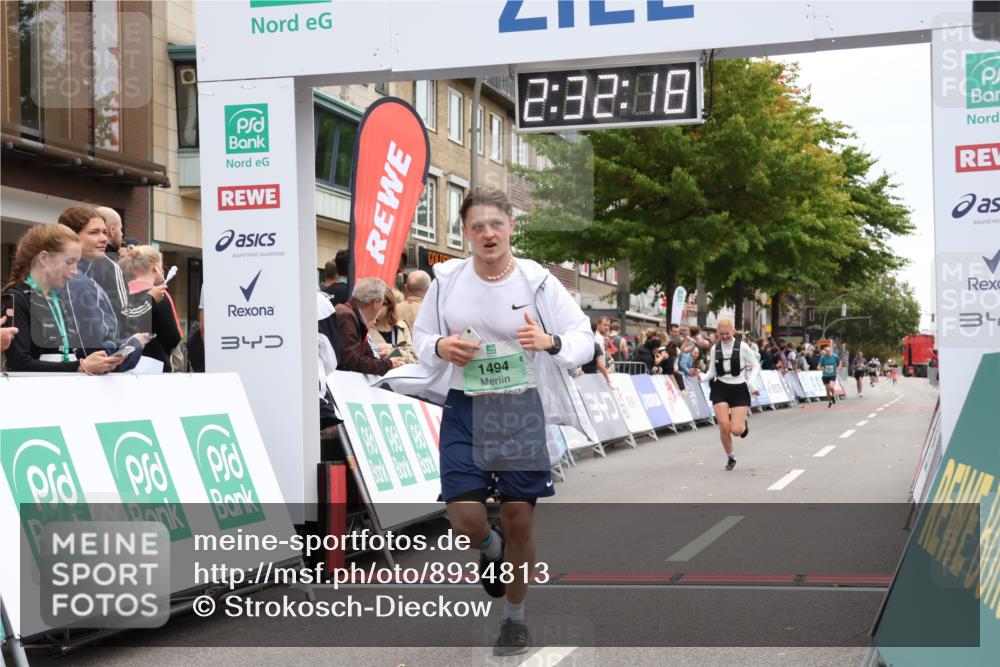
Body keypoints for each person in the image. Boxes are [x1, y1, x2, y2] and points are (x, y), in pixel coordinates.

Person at [400, 187, 592, 656]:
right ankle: (491, 550)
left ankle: (514, 620)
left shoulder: (538, 281)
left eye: (496, 224)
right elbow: (422, 336)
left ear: (511, 227)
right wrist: (442, 347)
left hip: (520, 408)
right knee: (464, 519)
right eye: (477, 226)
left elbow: (582, 337)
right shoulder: (447, 279)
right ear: (465, 233)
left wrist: (549, 341)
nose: (488, 233)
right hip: (465, 406)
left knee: (519, 519)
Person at [2, 224, 129, 374]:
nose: (74, 271)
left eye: (77, 263)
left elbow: (63, 356)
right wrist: (80, 366)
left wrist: (94, 361)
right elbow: (19, 364)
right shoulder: (16, 298)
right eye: (69, 262)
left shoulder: (58, 301)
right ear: (44, 258)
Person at [58, 205, 157, 333]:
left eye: (104, 232)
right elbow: (123, 317)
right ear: (71, 235)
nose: (104, 239)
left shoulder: (95, 268)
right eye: (94, 232)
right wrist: (150, 299)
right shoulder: (53, 273)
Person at [694, 319, 761, 471]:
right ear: (717, 333)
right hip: (721, 387)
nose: (724, 336)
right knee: (724, 427)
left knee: (736, 431)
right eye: (721, 334)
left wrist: (751, 383)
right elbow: (712, 371)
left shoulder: (742, 347)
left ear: (733, 331)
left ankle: (743, 425)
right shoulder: (714, 349)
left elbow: (756, 365)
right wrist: (702, 377)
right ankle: (731, 457)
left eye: (727, 333)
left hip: (739, 388)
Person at [120, 246, 183, 372]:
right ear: (155, 267)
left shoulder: (121, 293)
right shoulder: (159, 295)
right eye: (161, 265)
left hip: (125, 362)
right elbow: (173, 337)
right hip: (155, 364)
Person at [334, 277, 405, 375]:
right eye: (383, 302)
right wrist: (388, 364)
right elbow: (351, 361)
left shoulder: (353, 316)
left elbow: (366, 355)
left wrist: (387, 362)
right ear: (376, 302)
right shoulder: (347, 316)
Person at [369, 289, 418, 365]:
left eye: (379, 303)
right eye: (371, 303)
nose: (374, 307)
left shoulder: (401, 326)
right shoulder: (366, 327)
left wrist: (393, 351)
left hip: (399, 374)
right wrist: (374, 350)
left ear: (389, 305)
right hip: (376, 375)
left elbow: (414, 358)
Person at [581, 316, 613, 386]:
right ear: (598, 325)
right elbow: (599, 363)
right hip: (592, 374)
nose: (607, 328)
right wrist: (606, 375)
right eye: (604, 325)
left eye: (608, 325)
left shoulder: (600, 338)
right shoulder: (597, 338)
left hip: (592, 374)